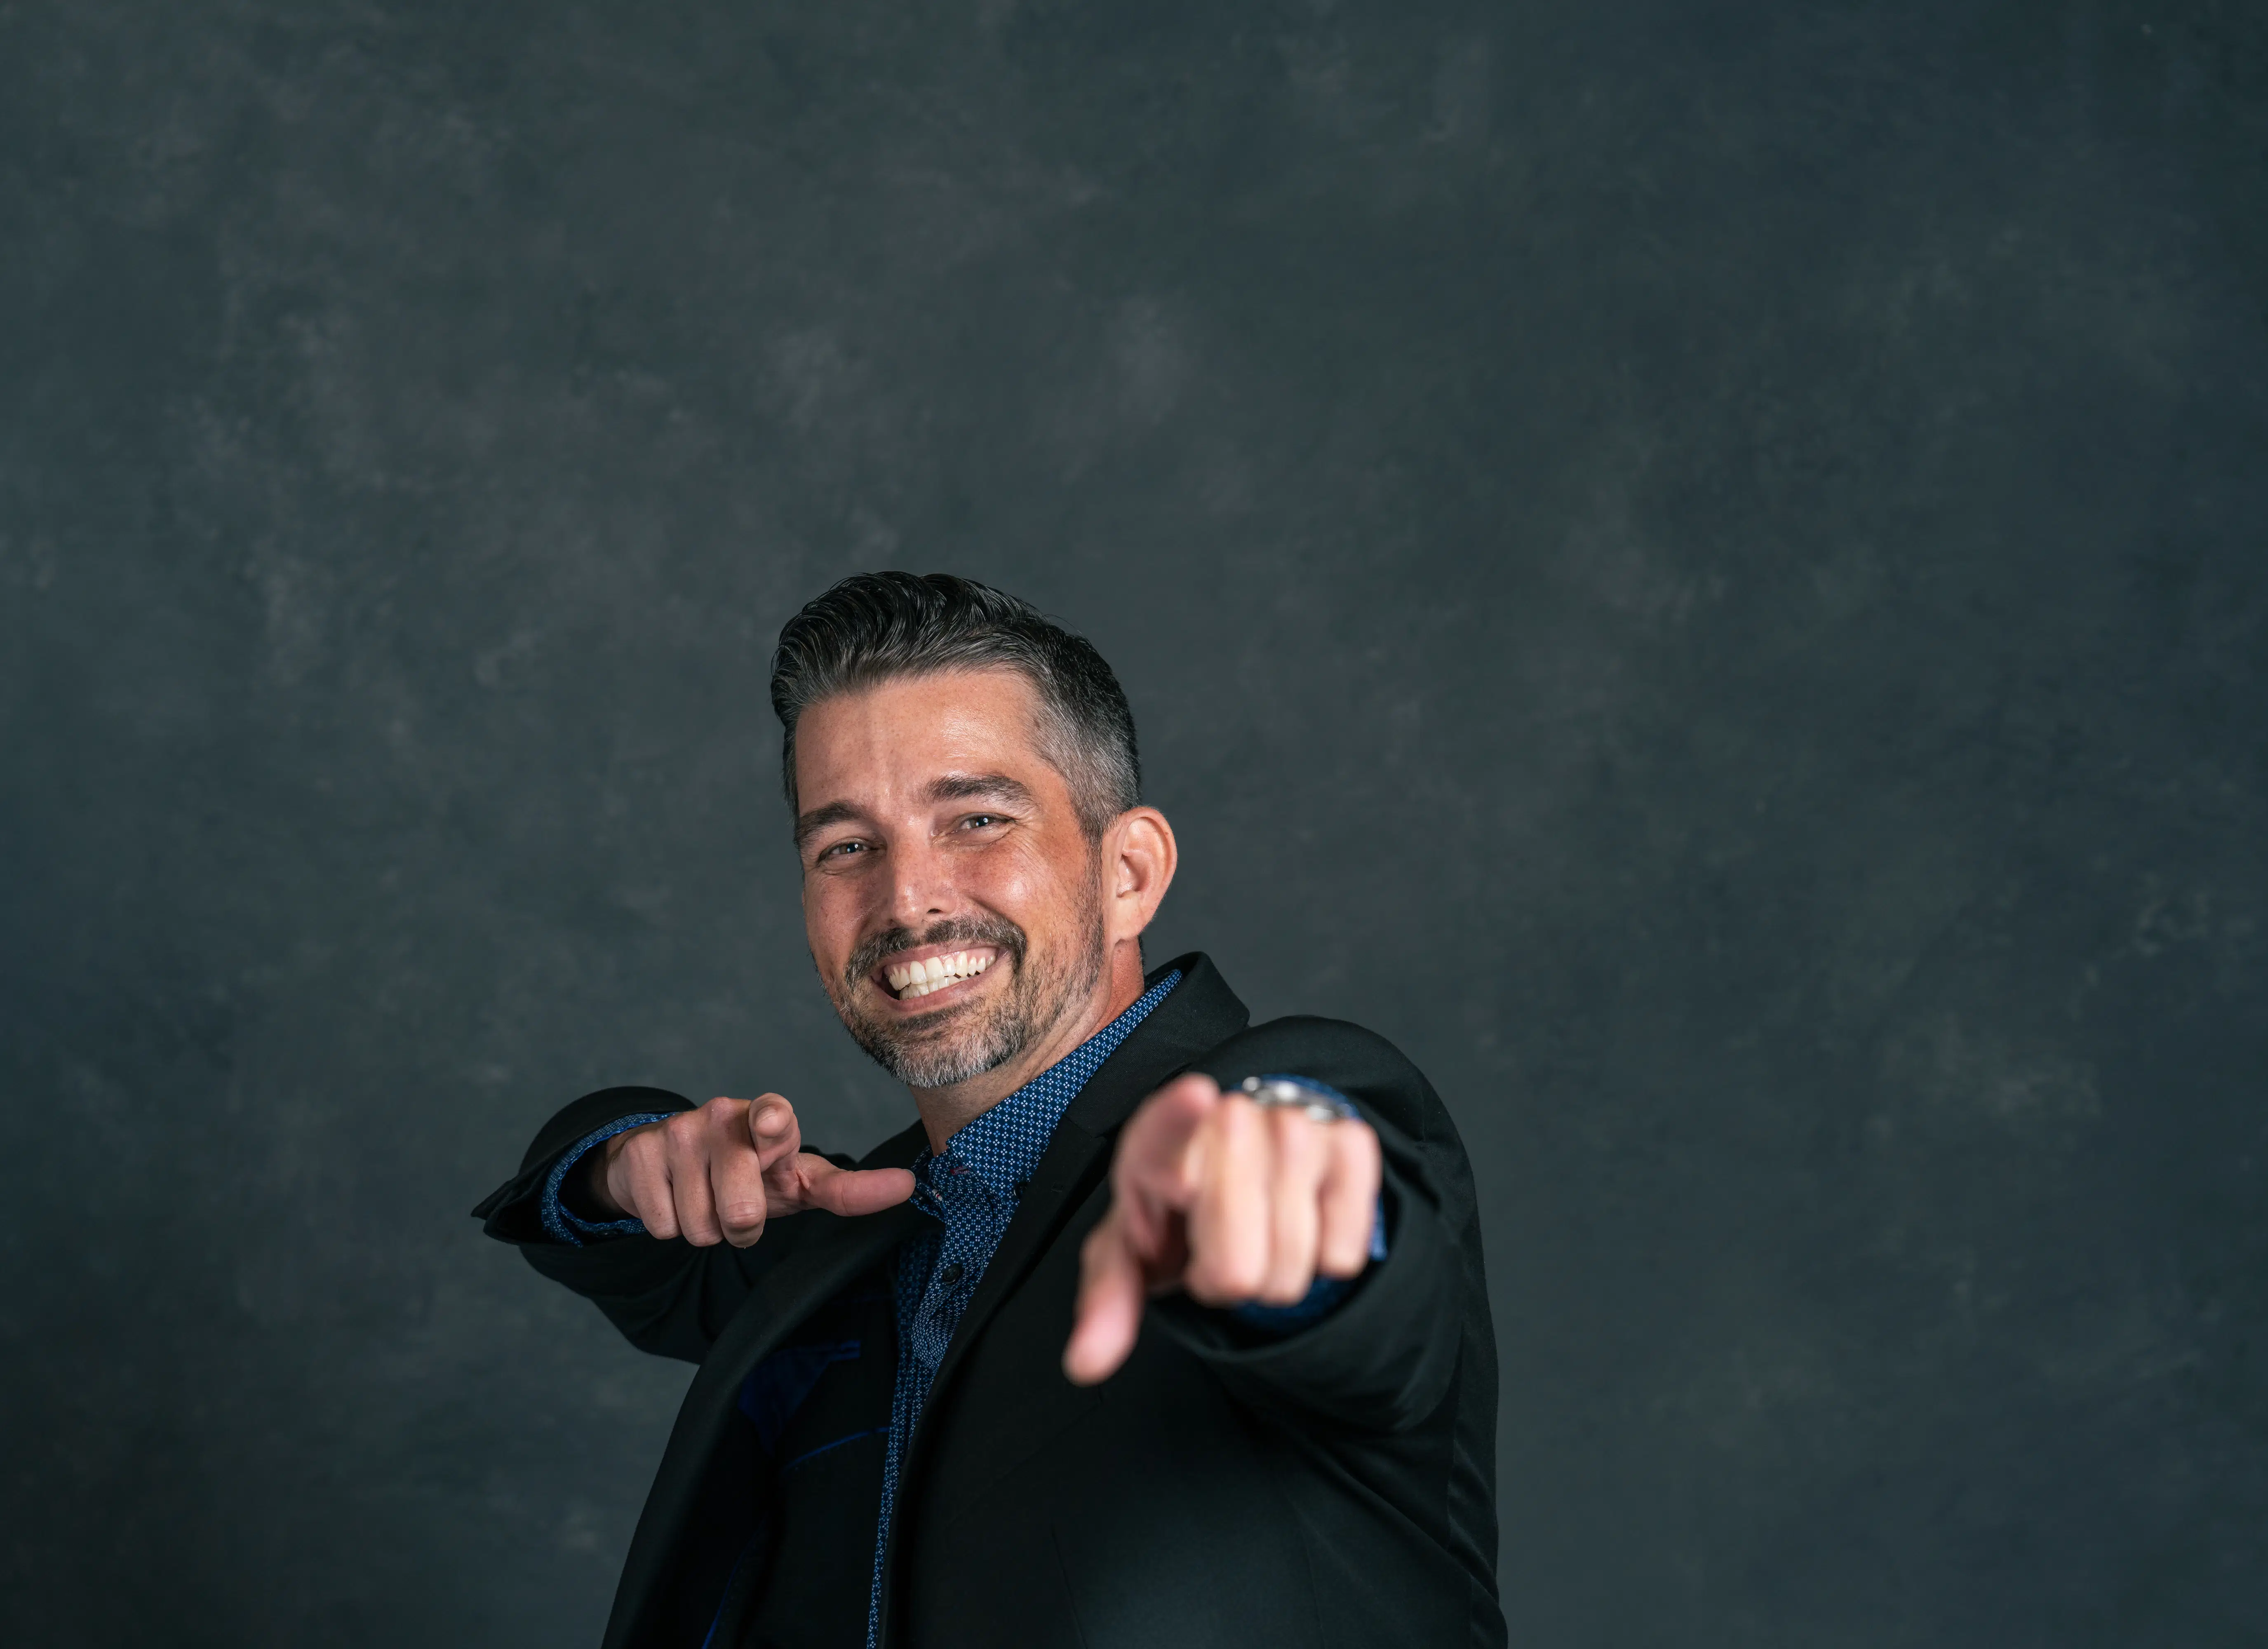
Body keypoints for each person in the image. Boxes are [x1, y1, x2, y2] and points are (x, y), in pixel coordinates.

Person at [473, 573, 1502, 1649]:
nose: (906, 898)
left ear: (1130, 873)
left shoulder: (1283, 1127)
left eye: (976, 820)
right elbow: (609, 1239)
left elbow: (1359, 1269)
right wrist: (625, 1165)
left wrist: (1284, 1226)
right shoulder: (854, 1236)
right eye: (847, 847)